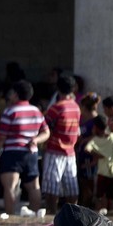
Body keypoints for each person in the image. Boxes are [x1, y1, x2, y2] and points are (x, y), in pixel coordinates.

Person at [0, 80, 51, 214]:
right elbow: (46, 132)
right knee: (34, 187)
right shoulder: (37, 111)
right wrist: (36, 140)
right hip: (31, 154)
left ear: (15, 95)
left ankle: (10, 218)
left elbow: (1, 138)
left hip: (12, 154)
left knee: (10, 187)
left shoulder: (10, 112)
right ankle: (35, 216)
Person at [42, 75, 81, 214]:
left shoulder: (56, 108)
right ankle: (73, 216)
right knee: (71, 188)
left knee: (51, 190)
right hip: (70, 152)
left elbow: (45, 128)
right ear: (73, 89)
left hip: (54, 151)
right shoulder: (76, 107)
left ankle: (51, 217)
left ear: (58, 88)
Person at [84, 116, 113, 212]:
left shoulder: (96, 140)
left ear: (96, 127)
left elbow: (87, 149)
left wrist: (98, 155)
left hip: (102, 173)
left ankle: (99, 218)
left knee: (100, 197)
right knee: (112, 199)